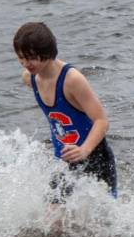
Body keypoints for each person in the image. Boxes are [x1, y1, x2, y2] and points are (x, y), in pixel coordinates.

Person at [13, 22, 117, 203]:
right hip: (66, 160)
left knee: (101, 225)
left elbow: (101, 121)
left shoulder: (72, 80)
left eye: (31, 58)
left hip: (95, 157)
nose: (25, 64)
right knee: (53, 221)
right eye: (21, 58)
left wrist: (84, 150)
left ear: (47, 53)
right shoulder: (30, 78)